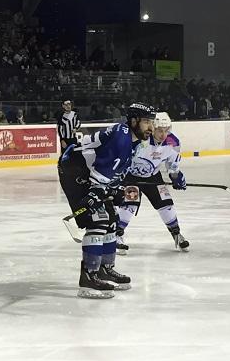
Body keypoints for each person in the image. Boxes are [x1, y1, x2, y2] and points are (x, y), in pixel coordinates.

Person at [58, 103, 156, 299]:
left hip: (89, 172)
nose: (151, 127)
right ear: (134, 120)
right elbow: (101, 169)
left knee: (112, 218)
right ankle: (88, 276)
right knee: (98, 219)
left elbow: (116, 169)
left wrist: (115, 188)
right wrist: (96, 193)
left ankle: (104, 269)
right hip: (75, 169)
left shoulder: (133, 139)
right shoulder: (122, 137)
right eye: (146, 122)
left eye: (151, 122)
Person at [116, 112, 189, 254]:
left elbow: (172, 166)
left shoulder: (173, 142)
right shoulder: (140, 140)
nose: (163, 134)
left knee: (166, 204)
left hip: (153, 177)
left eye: (166, 130)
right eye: (160, 130)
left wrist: (176, 177)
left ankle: (176, 234)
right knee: (130, 204)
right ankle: (117, 235)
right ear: (153, 128)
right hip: (132, 177)